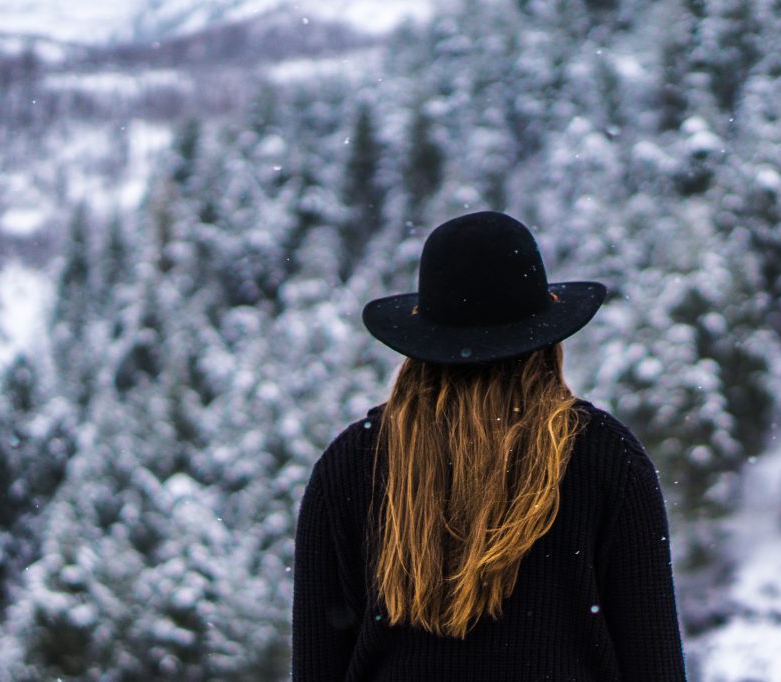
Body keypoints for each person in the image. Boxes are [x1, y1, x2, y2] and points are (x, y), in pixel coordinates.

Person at [292, 211, 687, 681]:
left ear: (423, 342)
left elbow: (318, 666)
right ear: (546, 339)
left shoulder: (351, 465)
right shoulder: (604, 457)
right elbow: (655, 664)